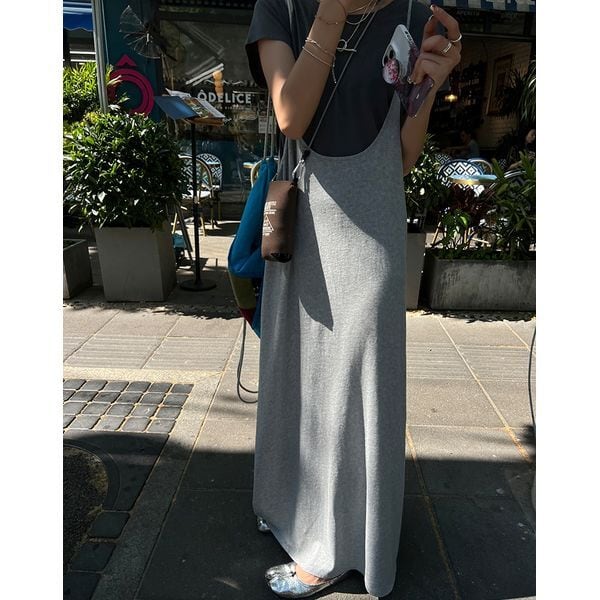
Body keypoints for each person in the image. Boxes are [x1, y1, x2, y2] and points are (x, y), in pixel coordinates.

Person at [245, 1, 461, 597]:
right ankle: (287, 505)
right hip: (307, 212)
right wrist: (334, 11)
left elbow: (404, 153)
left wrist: (428, 86)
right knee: (298, 366)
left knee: (359, 372)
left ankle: (339, 545)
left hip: (374, 214)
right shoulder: (282, 6)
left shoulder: (411, 10)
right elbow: (290, 115)